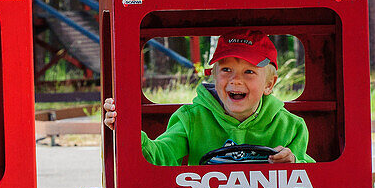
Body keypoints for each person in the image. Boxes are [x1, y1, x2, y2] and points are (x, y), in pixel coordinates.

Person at [102, 28, 313, 165]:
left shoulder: (291, 126)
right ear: (213, 75)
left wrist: (293, 162)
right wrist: (128, 130)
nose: (235, 80)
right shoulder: (191, 119)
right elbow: (161, 155)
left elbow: (314, 177)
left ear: (269, 84)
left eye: (249, 72)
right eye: (226, 70)